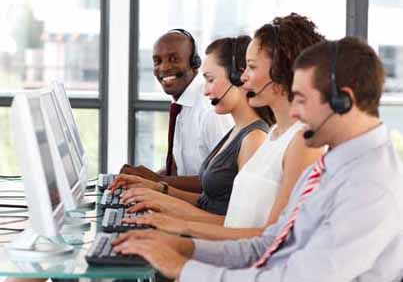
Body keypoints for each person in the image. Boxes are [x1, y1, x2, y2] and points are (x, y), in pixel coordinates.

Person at [112, 37, 403, 282]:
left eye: (301, 99)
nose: (296, 113)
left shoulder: (371, 185)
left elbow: (298, 278)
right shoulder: (332, 166)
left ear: (344, 100)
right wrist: (184, 247)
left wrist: (183, 268)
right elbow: (267, 245)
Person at [121, 13, 324, 240]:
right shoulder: (275, 136)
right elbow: (233, 218)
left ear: (280, 70)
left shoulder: (299, 143)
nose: (243, 78)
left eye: (251, 67)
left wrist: (180, 228)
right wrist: (159, 197)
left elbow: (273, 239)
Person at [112, 36, 271, 220]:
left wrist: (168, 210)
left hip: (210, 240)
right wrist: (155, 190)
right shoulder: (235, 130)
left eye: (210, 80)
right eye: (157, 61)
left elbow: (242, 227)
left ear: (238, 78)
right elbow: (207, 202)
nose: (205, 91)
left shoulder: (248, 135)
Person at [121, 29, 233, 192]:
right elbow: (177, 171)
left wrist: (157, 181)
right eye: (157, 61)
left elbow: (223, 181)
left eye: (174, 59)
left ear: (194, 63)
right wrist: (140, 179)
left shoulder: (210, 110)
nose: (164, 67)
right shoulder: (180, 106)